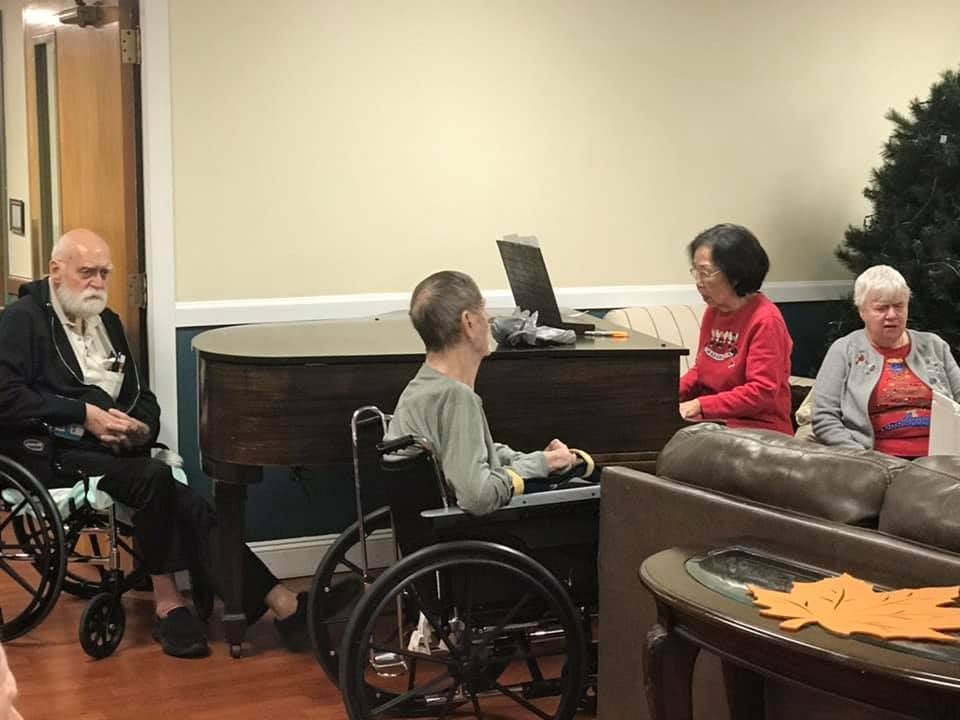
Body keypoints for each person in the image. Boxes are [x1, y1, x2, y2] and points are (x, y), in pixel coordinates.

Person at [0, 228, 306, 658]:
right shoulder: (24, 319)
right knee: (157, 480)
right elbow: (6, 396)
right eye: (87, 272)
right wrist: (83, 415)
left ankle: (279, 602)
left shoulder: (108, 322)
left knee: (186, 499)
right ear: (55, 270)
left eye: (104, 273)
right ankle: (172, 602)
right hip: (54, 452)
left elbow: (143, 396)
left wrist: (143, 427)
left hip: (117, 451)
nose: (98, 283)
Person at [385, 270, 581, 516]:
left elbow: (465, 453)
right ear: (468, 322)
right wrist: (542, 464)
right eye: (483, 309)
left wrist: (537, 459)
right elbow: (477, 498)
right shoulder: (455, 397)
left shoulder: (423, 387)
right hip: (468, 537)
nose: (488, 318)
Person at [812, 265, 960, 456]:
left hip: (943, 460)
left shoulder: (934, 346)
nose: (892, 315)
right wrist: (863, 457)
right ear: (862, 312)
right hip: (876, 463)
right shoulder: (844, 350)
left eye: (899, 306)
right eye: (881, 308)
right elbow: (824, 417)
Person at [678, 223, 794, 434]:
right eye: (696, 272)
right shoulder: (714, 311)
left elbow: (761, 392)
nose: (699, 283)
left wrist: (700, 406)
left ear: (736, 274)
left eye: (706, 273)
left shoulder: (766, 320)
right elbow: (702, 369)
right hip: (714, 423)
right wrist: (667, 393)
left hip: (758, 429)